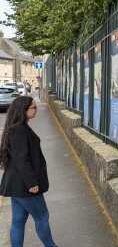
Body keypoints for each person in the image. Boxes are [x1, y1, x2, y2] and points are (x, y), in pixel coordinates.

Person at [0, 96, 57, 247]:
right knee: (42, 217)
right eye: (33, 107)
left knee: (18, 221)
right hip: (26, 186)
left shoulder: (19, 127)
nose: (36, 109)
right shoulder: (19, 130)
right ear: (22, 110)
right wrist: (32, 183)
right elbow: (21, 159)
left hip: (17, 186)